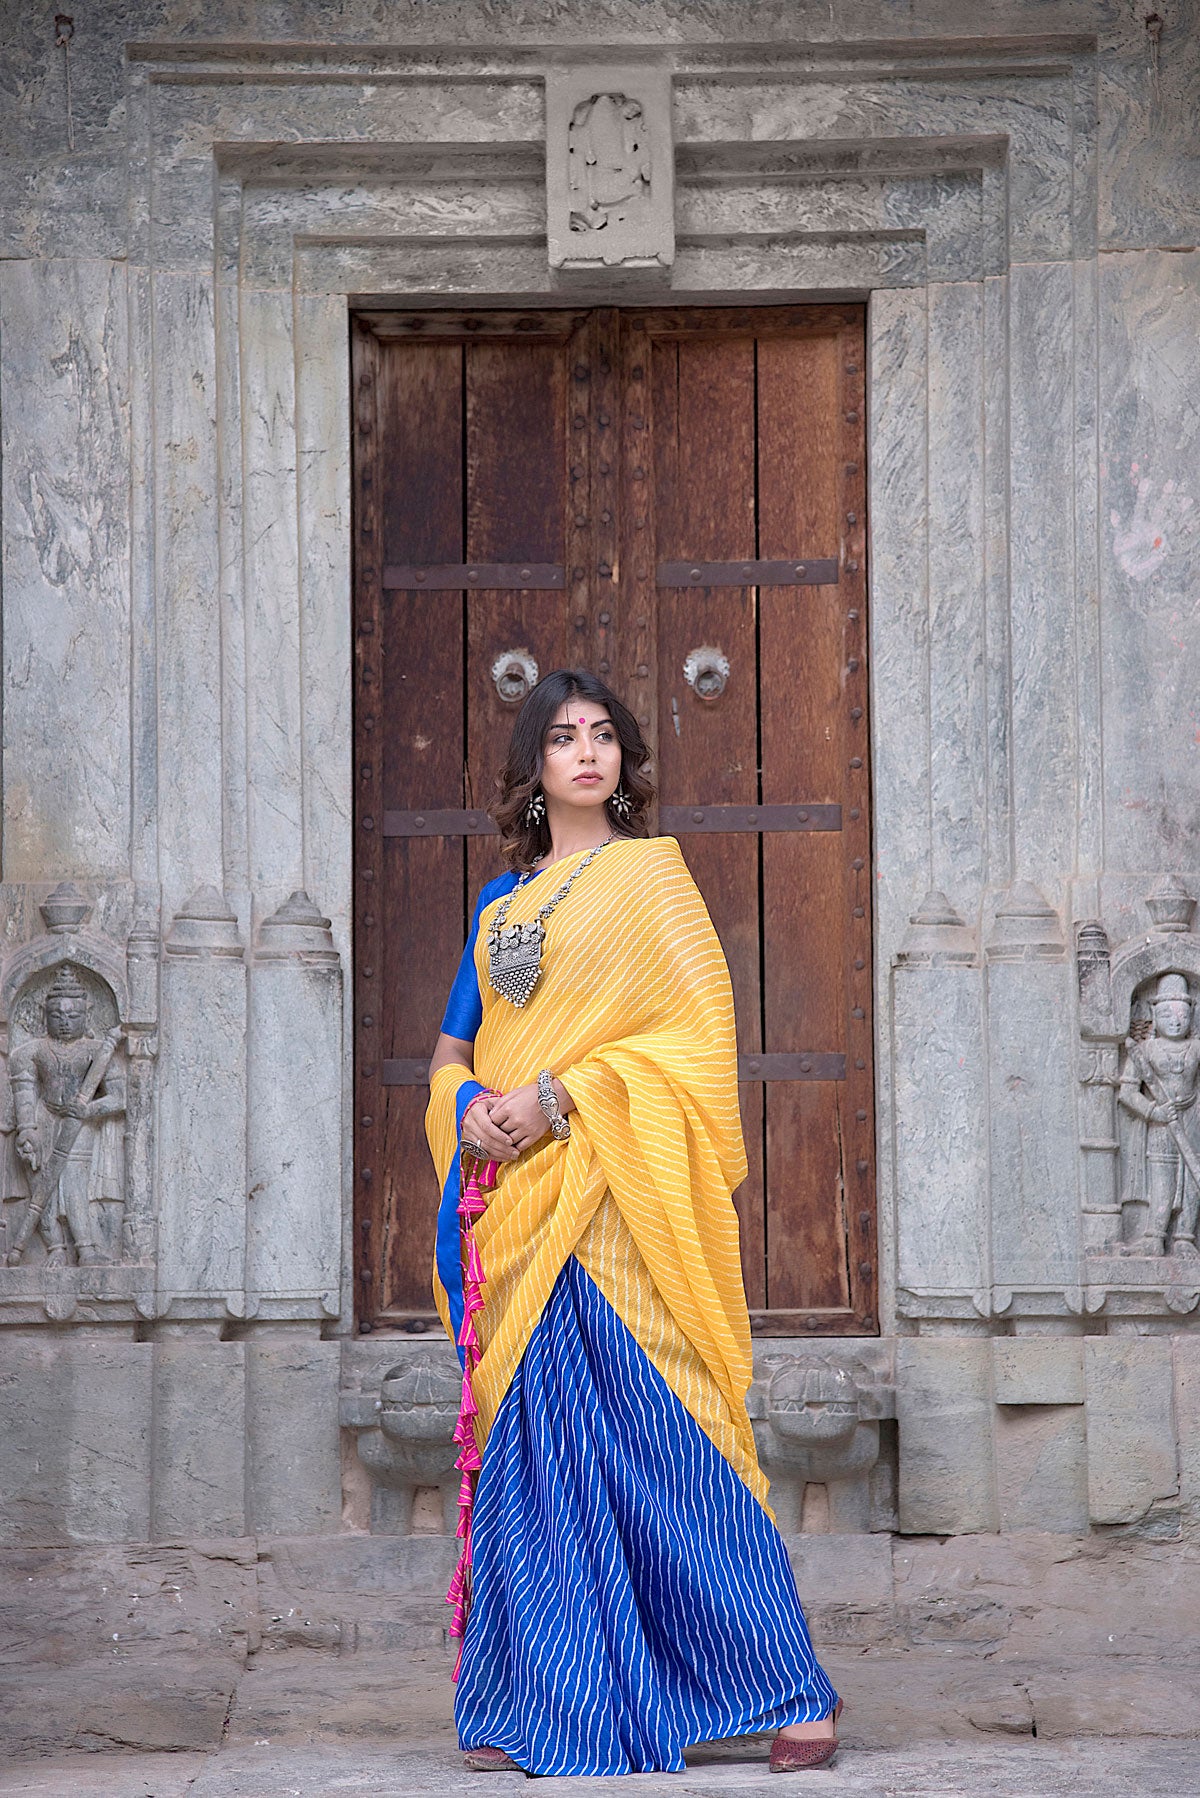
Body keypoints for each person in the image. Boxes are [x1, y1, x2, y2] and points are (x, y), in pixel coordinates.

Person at [425, 669, 842, 1776]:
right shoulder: (499, 907)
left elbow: (693, 1044)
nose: (587, 752)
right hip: (516, 1205)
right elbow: (449, 1051)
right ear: (534, 769)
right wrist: (468, 1112)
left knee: (675, 1443)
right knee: (538, 1456)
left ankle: (790, 1688)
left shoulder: (654, 880)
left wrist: (562, 1094)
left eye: (604, 735)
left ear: (625, 760)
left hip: (616, 1198)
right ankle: (546, 1702)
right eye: (563, 737)